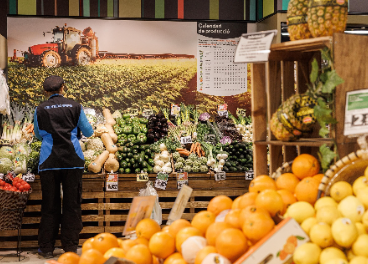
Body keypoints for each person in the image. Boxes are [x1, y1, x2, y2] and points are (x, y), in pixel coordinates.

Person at [34, 75, 94, 258]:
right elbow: (89, 131)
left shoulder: (40, 109)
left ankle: (46, 248)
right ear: (63, 88)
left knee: (49, 205)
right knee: (72, 204)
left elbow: (38, 134)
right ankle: (70, 248)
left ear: (46, 92)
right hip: (72, 160)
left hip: (49, 161)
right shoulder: (75, 106)